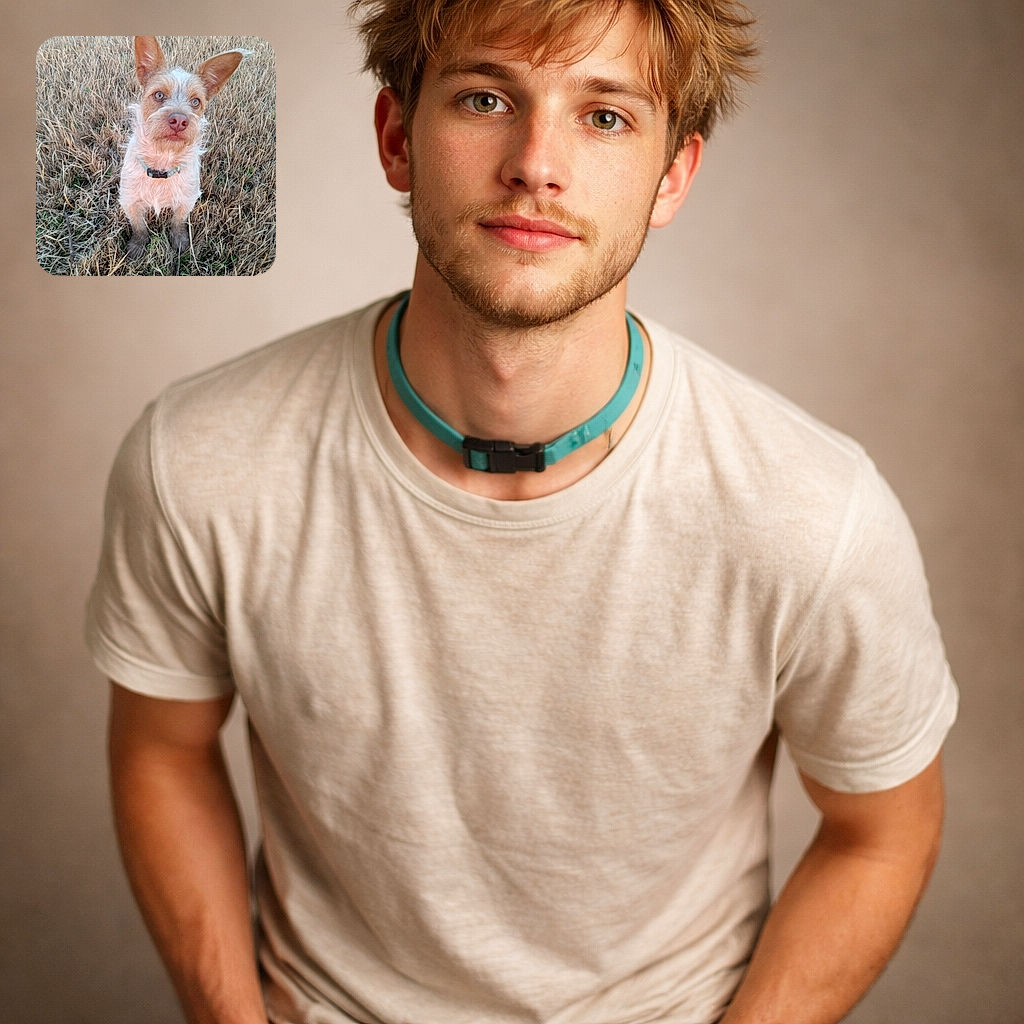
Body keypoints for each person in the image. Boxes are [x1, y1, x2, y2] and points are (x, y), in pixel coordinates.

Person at [87, 1, 959, 1022]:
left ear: (673, 172)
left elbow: (882, 829)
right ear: (397, 138)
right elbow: (162, 748)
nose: (536, 163)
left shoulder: (814, 511)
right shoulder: (199, 458)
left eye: (605, 117)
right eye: (486, 97)